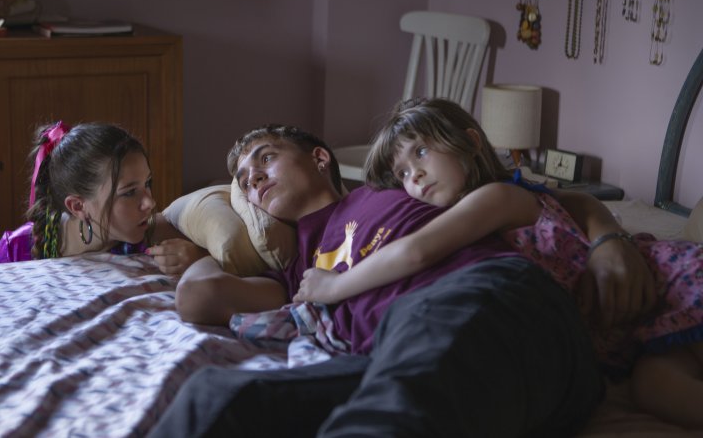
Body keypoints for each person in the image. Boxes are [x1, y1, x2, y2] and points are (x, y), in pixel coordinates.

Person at [147, 122, 650, 437]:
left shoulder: (393, 186)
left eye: (265, 157)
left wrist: (610, 239)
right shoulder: (297, 274)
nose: (252, 178)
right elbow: (199, 297)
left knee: (393, 409)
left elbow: (548, 196)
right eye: (243, 180)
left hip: (491, 302)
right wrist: (205, 243)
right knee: (215, 396)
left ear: (319, 158)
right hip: (402, 357)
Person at [293, 97, 703, 429]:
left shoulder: (496, 197)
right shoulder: (493, 203)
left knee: (657, 389)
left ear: (471, 143)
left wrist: (333, 286)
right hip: (644, 319)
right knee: (656, 387)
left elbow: (416, 251)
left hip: (673, 282)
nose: (413, 175)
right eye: (401, 173)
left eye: (422, 151)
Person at [0, 121, 203, 276]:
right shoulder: (16, 249)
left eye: (147, 183)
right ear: (78, 206)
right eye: (129, 192)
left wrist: (198, 258)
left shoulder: (157, 236)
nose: (150, 202)